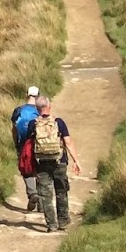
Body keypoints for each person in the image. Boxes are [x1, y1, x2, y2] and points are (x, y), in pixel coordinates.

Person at [30, 95, 83, 232]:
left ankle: (51, 225)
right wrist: (76, 161)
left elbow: (30, 146)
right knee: (61, 191)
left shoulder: (33, 124)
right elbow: (68, 143)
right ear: (49, 106)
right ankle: (63, 221)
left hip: (41, 163)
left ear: (37, 108)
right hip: (59, 162)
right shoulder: (59, 122)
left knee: (46, 196)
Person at [11, 85, 41, 212]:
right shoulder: (40, 110)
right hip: (39, 143)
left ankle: (32, 193)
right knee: (40, 170)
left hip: (23, 143)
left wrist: (16, 143)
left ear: (26, 95)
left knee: (26, 168)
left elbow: (14, 129)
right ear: (38, 96)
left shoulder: (18, 110)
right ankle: (43, 203)